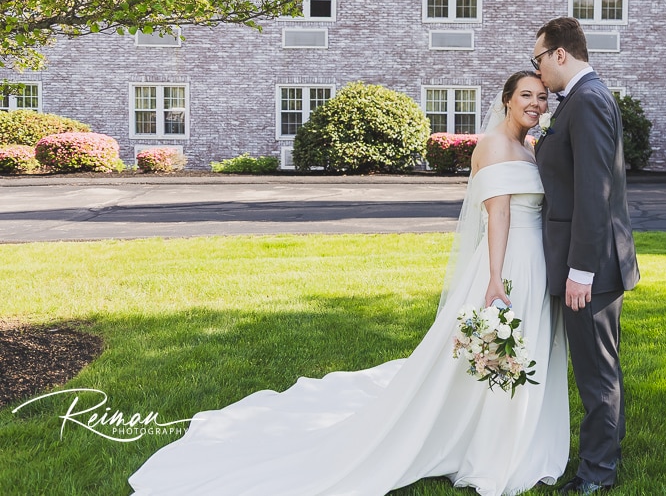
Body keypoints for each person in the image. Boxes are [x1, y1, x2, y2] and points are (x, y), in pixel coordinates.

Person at [128, 71, 569, 496]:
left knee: (513, 352)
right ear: (508, 99)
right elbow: (498, 214)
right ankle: (490, 446)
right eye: (527, 95)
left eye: (542, 97)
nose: (536, 103)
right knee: (498, 353)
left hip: (532, 259)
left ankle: (505, 434)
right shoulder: (493, 145)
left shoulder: (528, 147)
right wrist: (494, 278)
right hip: (507, 263)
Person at [531, 17, 640, 494]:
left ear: (559, 54)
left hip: (591, 267)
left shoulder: (589, 100)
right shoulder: (580, 99)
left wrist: (581, 271)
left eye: (537, 59)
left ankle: (597, 474)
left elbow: (595, 192)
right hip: (588, 261)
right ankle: (597, 461)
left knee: (597, 374)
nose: (536, 70)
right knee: (596, 369)